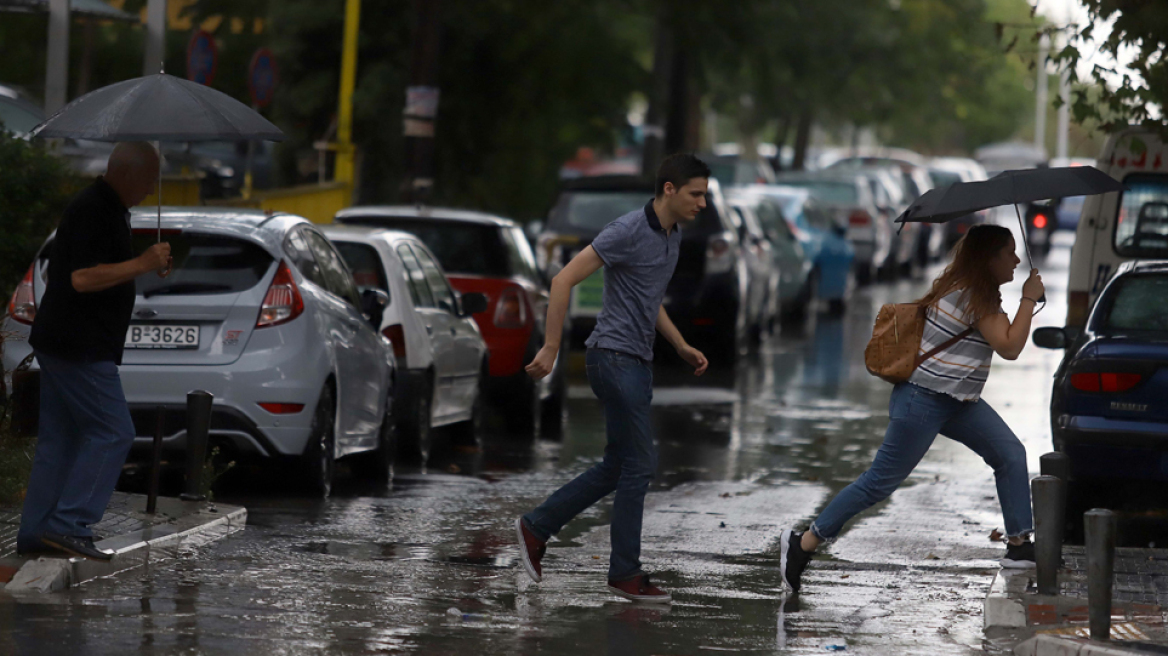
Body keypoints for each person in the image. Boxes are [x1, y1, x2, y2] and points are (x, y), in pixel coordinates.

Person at [779, 224, 1044, 593]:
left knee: (1010, 454)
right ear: (989, 258)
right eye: (1009, 252)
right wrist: (1029, 299)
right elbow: (1010, 346)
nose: (1017, 259)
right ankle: (804, 543)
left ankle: (1019, 546)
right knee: (878, 483)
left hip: (958, 402)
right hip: (923, 400)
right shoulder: (972, 296)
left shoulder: (975, 291)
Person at [516, 154, 712, 603]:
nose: (702, 203)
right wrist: (550, 346)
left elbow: (650, 298)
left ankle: (536, 527)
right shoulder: (626, 230)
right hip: (612, 358)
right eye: (695, 194)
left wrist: (680, 344)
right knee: (640, 464)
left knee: (618, 466)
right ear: (668, 189)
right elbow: (563, 280)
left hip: (638, 363)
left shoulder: (671, 237)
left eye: (704, 194)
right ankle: (624, 571)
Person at [16, 142, 171, 561]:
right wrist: (141, 263)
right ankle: (69, 525)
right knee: (114, 431)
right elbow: (82, 279)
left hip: (67, 341)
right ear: (125, 173)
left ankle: (36, 534)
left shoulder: (108, 208)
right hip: (78, 345)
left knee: (60, 441)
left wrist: (142, 262)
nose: (150, 189)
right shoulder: (93, 209)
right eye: (148, 179)